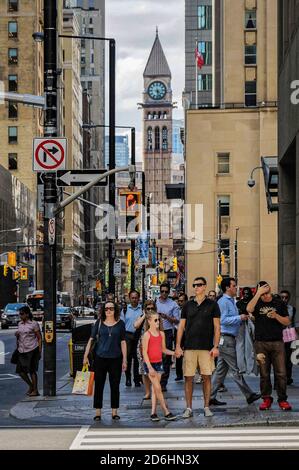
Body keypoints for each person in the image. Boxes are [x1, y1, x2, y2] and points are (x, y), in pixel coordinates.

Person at [209, 278, 260, 407]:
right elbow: (223, 320)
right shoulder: (223, 302)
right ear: (227, 288)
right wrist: (239, 317)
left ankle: (209, 396)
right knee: (235, 369)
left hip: (228, 338)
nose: (236, 287)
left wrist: (242, 319)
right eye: (233, 285)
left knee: (221, 370)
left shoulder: (231, 301)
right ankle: (249, 395)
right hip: (225, 339)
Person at [175, 277, 221, 418]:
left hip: (206, 347)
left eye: (199, 285)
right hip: (189, 347)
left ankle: (206, 407)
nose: (196, 287)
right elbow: (181, 327)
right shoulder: (187, 305)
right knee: (188, 377)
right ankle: (188, 408)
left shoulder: (212, 305)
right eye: (194, 285)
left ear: (205, 286)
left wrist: (216, 346)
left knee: (207, 377)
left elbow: (217, 327)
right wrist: (177, 345)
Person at [247, 282, 292, 411]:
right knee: (264, 373)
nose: (265, 296)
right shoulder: (256, 302)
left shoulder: (279, 303)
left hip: (277, 342)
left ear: (270, 290)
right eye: (263, 293)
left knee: (281, 373)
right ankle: (266, 398)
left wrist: (276, 316)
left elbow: (287, 321)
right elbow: (249, 309)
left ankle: (282, 399)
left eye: (267, 292)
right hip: (261, 343)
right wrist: (257, 294)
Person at [83, 301, 127, 421]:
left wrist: (125, 360)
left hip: (116, 359)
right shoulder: (99, 323)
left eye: (111, 309)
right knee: (99, 385)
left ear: (115, 310)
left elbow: (123, 342)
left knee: (115, 386)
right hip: (100, 358)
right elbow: (91, 339)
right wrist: (85, 356)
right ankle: (98, 412)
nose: (108, 311)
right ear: (103, 310)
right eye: (106, 309)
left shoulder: (121, 324)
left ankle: (114, 411)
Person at [142, 309, 176, 422]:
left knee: (155, 389)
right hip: (150, 364)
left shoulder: (161, 334)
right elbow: (144, 353)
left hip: (159, 363)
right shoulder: (146, 335)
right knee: (158, 388)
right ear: (149, 321)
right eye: (155, 320)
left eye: (159, 320)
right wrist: (150, 367)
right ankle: (166, 411)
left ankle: (153, 413)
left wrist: (174, 353)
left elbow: (163, 349)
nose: (158, 322)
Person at [156, 283, 180, 392]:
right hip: (156, 331)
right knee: (156, 357)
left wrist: (167, 317)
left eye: (166, 291)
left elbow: (177, 320)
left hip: (167, 332)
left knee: (166, 359)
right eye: (162, 291)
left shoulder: (173, 304)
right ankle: (156, 380)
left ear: (169, 292)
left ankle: (163, 383)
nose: (164, 293)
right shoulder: (155, 302)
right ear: (160, 291)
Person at [15, 305, 42, 397]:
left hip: (32, 349)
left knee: (32, 371)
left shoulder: (34, 324)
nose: (20, 316)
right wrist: (17, 335)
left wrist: (39, 351)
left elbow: (39, 338)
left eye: (22, 314)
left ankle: (35, 390)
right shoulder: (19, 324)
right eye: (19, 314)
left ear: (27, 314)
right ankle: (31, 386)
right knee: (20, 371)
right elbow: (20, 336)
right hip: (21, 350)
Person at [120, 290, 143, 387]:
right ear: (129, 298)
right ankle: (128, 379)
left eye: (136, 298)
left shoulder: (142, 309)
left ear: (139, 298)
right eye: (132, 298)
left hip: (139, 336)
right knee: (128, 358)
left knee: (138, 358)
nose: (134, 300)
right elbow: (121, 324)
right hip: (127, 336)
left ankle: (137, 379)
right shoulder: (125, 310)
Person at [134, 300, 155, 400]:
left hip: (154, 346)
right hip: (142, 347)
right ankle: (147, 392)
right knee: (144, 370)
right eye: (148, 309)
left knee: (155, 369)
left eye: (152, 308)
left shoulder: (157, 318)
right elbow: (136, 325)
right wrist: (144, 315)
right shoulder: (142, 318)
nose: (150, 310)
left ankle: (155, 390)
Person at [236, 287, 258, 375]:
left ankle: (250, 367)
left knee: (250, 346)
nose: (245, 295)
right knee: (240, 346)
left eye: (247, 293)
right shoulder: (238, 303)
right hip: (240, 324)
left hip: (251, 324)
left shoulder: (254, 303)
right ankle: (241, 367)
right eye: (244, 293)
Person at [280, 290, 296, 385]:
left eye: (286, 297)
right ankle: (282, 377)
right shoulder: (277, 308)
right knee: (281, 357)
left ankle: (288, 377)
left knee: (289, 357)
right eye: (282, 297)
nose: (284, 299)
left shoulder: (292, 309)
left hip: (289, 333)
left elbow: (292, 321)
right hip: (279, 334)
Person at [174, 293, 188, 381]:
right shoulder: (176, 309)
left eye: (182, 301)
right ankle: (179, 374)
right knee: (178, 353)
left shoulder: (189, 309)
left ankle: (188, 372)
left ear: (186, 301)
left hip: (187, 332)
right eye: (179, 301)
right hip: (178, 331)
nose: (180, 302)